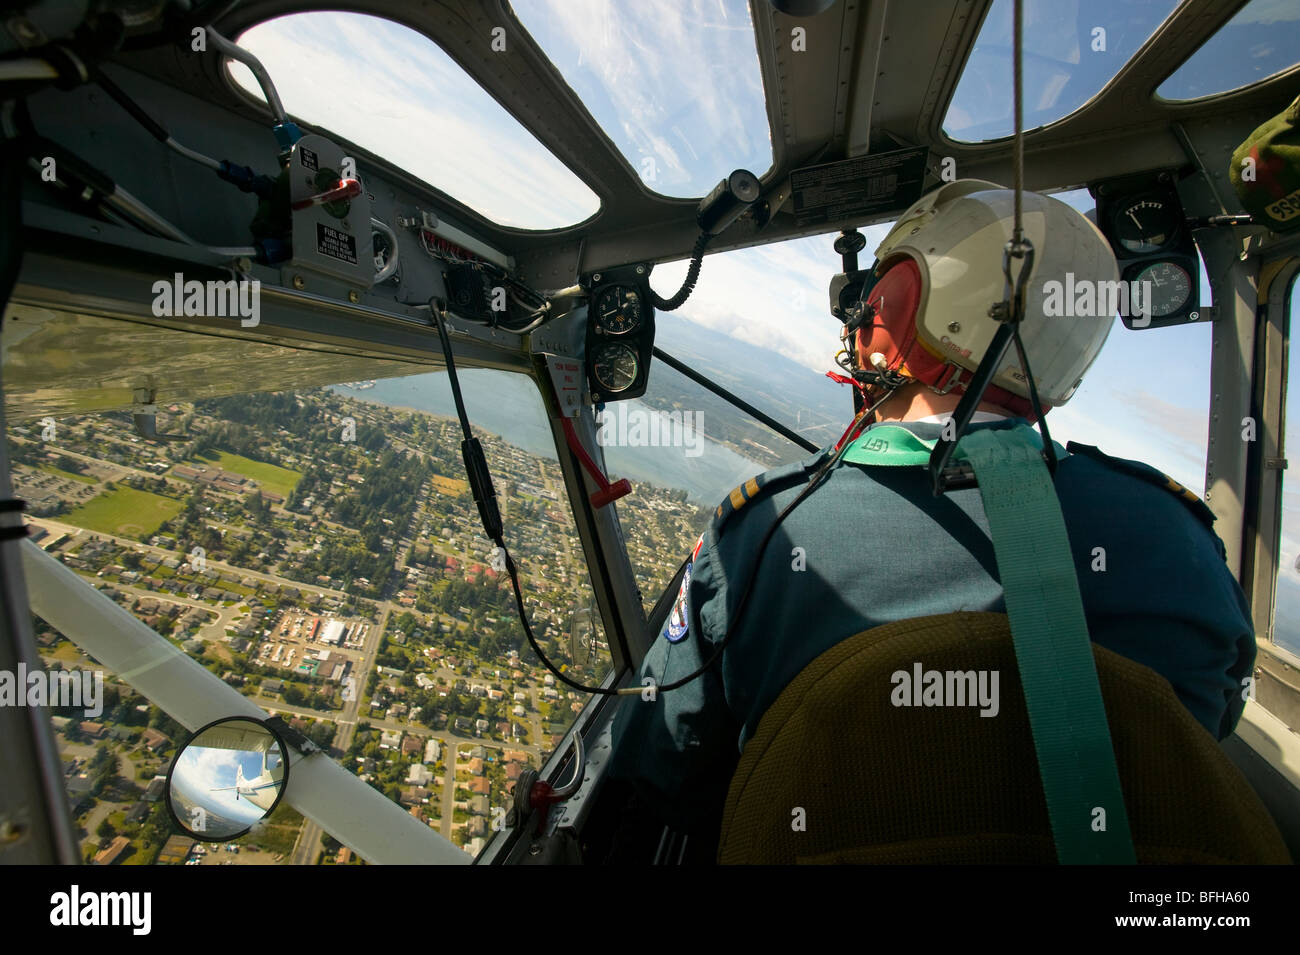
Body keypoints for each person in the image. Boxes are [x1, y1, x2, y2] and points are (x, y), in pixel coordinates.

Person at [606, 179, 1257, 845]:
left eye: (873, 296)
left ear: (901, 302)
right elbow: (1206, 739)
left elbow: (660, 770)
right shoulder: (1184, 547)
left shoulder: (765, 537)